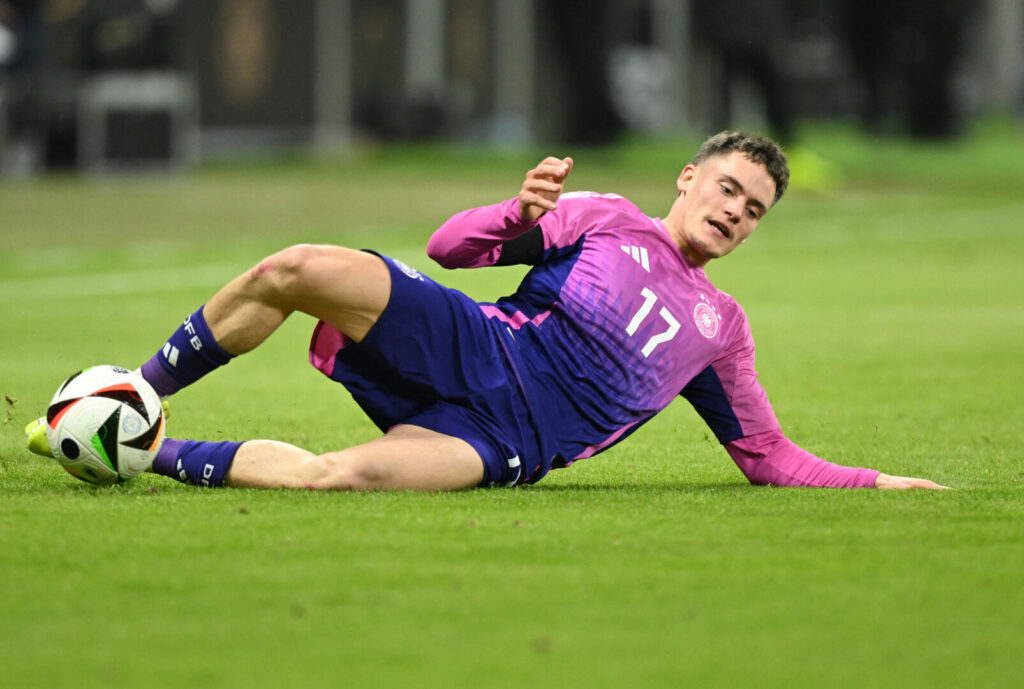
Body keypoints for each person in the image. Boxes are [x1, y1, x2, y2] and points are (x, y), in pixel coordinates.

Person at [26, 131, 947, 491]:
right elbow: (447, 248)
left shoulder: (723, 328)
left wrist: (883, 485)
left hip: (509, 439)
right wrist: (518, 214)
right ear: (688, 178)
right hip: (472, 341)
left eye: (754, 210)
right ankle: (131, 392)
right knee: (295, 267)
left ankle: (135, 449)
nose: (736, 212)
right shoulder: (605, 219)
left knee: (338, 478)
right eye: (729, 188)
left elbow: (769, 458)